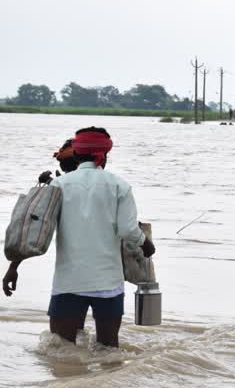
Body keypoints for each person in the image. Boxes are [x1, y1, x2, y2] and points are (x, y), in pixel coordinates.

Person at [3, 127, 155, 348]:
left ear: (76, 154)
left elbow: (33, 231)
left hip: (68, 282)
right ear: (105, 155)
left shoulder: (58, 185)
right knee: (108, 350)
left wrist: (13, 267)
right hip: (108, 284)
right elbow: (128, 231)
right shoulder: (119, 185)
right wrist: (145, 242)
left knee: (60, 349)